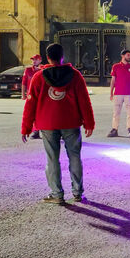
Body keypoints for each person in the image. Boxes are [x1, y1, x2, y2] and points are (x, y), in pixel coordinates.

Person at [21, 43, 95, 204]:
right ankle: (77, 193)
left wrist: (26, 127)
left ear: (47, 57)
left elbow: (30, 103)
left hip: (47, 124)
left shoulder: (39, 77)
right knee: (75, 157)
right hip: (71, 122)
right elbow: (84, 101)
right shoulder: (75, 75)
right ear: (63, 56)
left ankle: (56, 194)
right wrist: (89, 123)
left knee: (52, 159)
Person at [108, 49, 130, 137]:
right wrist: (111, 92)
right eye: (128, 55)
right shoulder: (115, 67)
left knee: (129, 112)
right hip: (118, 93)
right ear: (123, 56)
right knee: (116, 112)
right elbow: (113, 80)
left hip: (129, 93)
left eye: (129, 55)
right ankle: (114, 129)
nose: (129, 57)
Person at [21, 54, 43, 139]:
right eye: (33, 59)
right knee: (31, 113)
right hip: (31, 95)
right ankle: (35, 131)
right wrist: (23, 95)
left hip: (41, 95)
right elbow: (24, 83)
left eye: (36, 59)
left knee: (40, 113)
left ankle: (41, 130)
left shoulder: (43, 70)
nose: (34, 61)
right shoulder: (28, 70)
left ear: (40, 60)